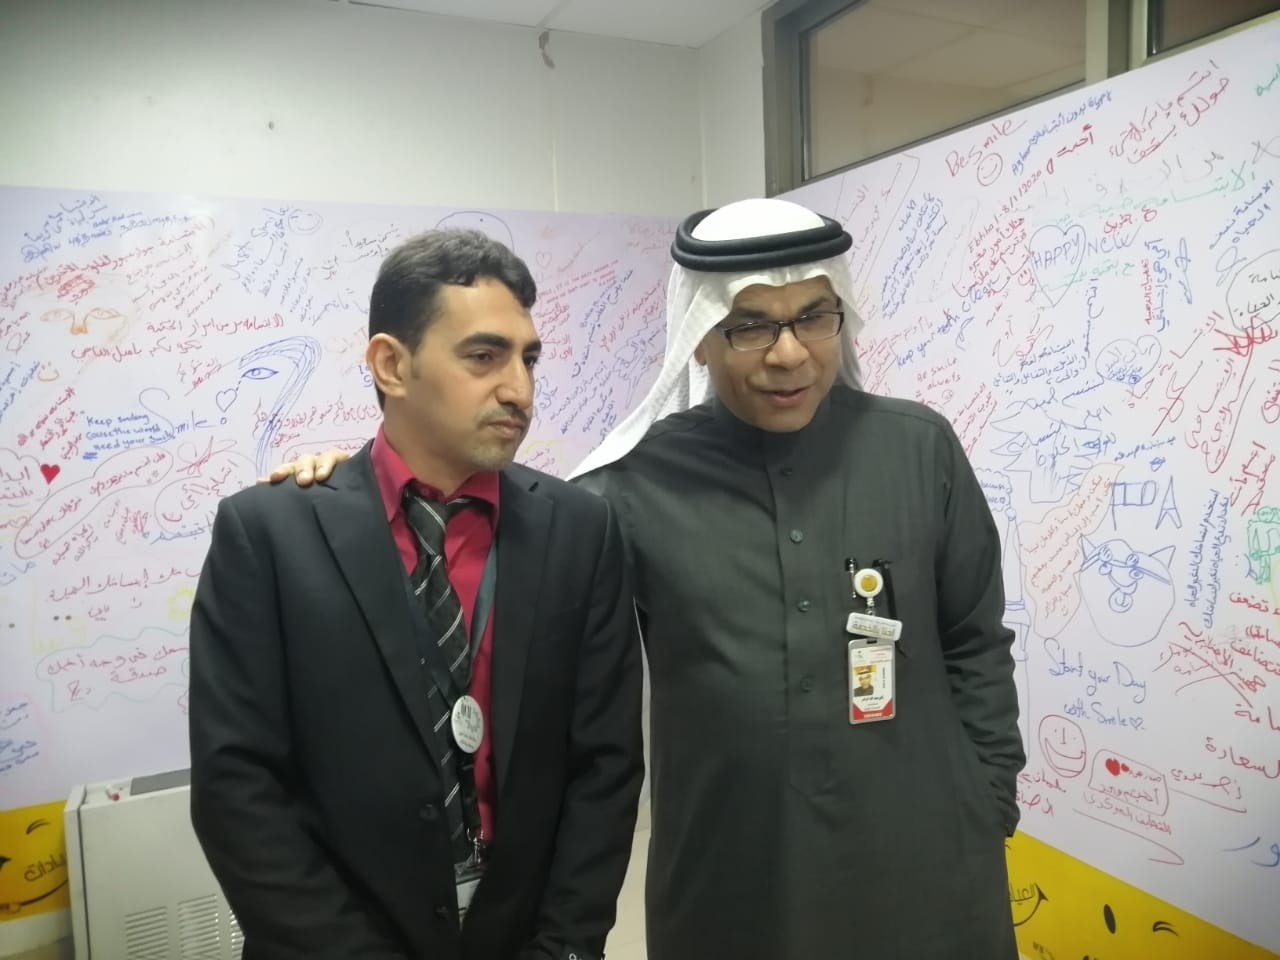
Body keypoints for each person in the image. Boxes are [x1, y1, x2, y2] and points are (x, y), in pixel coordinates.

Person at [272, 199, 1026, 959]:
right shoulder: (626, 489)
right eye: (750, 326)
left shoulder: (920, 449)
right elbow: (477, 526)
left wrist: (988, 799)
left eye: (814, 318)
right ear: (699, 336)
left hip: (933, 867)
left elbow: (976, 642)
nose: (789, 353)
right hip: (734, 880)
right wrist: (350, 482)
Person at [190, 228, 644, 960]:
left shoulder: (580, 530)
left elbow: (606, 766)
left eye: (528, 359)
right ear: (392, 365)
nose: (519, 389)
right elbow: (238, 786)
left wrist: (564, 946)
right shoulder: (271, 536)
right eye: (484, 356)